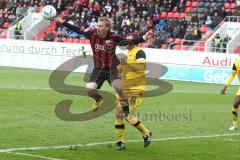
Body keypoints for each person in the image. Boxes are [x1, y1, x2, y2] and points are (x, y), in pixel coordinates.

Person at [56, 17, 153, 116]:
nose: (98, 28)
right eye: (97, 25)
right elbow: (78, 30)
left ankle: (125, 108)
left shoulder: (114, 37)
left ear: (107, 27)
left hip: (112, 68)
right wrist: (64, 23)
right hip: (98, 68)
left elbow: (129, 42)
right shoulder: (91, 33)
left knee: (118, 88)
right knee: (90, 90)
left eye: (100, 26)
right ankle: (99, 99)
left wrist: (144, 38)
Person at [115, 33, 151, 150]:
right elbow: (120, 70)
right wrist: (118, 66)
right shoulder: (126, 54)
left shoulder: (139, 52)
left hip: (136, 88)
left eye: (129, 41)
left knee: (126, 114)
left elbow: (141, 68)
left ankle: (146, 133)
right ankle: (120, 141)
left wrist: (126, 63)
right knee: (119, 113)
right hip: (124, 88)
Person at [221, 60, 240, 130]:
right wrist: (225, 86)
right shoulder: (236, 63)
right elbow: (232, 76)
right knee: (235, 104)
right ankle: (234, 125)